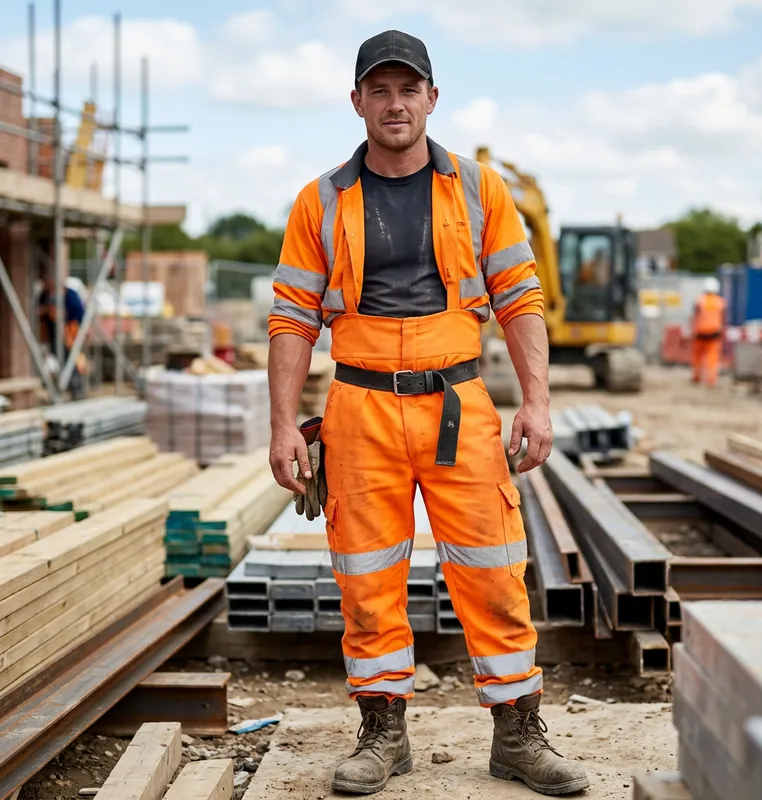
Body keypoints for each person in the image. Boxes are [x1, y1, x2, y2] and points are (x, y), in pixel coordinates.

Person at [267, 29, 590, 797]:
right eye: (378, 90)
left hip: (458, 405)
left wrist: (537, 403)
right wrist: (284, 424)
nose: (394, 103)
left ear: (431, 98)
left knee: (493, 572)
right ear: (357, 103)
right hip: (359, 410)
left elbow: (520, 300)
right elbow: (290, 318)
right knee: (367, 578)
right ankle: (383, 734)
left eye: (407, 89)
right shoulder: (320, 200)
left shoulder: (480, 190)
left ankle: (517, 735)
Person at [38, 273, 86, 399]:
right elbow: (40, 310)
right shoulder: (45, 295)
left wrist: (61, 314)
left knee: (71, 360)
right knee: (58, 359)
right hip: (53, 334)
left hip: (68, 333)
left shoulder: (70, 295)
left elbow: (79, 314)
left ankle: (76, 389)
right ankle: (65, 386)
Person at [691, 276, 726, 387]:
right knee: (712, 357)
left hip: (700, 333)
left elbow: (694, 315)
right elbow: (723, 317)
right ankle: (711, 379)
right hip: (714, 334)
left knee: (697, 356)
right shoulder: (721, 302)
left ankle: (697, 376)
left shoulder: (699, 300)